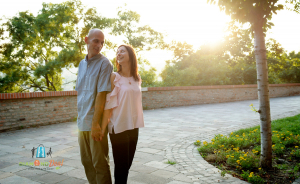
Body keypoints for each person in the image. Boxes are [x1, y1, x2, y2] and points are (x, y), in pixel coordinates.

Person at [100, 45, 145, 184]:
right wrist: (102, 129)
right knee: (121, 167)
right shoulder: (115, 77)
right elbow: (108, 105)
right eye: (117, 52)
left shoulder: (137, 77)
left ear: (131, 55)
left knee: (127, 165)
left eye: (122, 51)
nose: (118, 54)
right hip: (118, 127)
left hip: (133, 126)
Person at [75, 28, 113, 184]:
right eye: (96, 40)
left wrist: (96, 123)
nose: (99, 45)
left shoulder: (105, 64)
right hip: (81, 123)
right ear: (86, 40)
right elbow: (81, 94)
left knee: (100, 164)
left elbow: (101, 95)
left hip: (94, 123)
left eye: (102, 42)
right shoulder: (81, 64)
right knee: (87, 163)